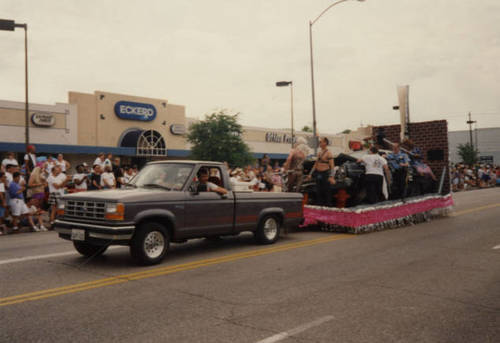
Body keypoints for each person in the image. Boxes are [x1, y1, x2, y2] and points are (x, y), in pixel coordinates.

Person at [307, 137, 335, 206]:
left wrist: (331, 176)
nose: (320, 143)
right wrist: (310, 173)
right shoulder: (319, 153)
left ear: (325, 143)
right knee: (318, 190)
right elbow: (315, 164)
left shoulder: (329, 153)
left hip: (325, 173)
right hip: (318, 173)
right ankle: (319, 204)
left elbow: (332, 166)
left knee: (326, 190)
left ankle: (328, 205)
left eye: (321, 142)